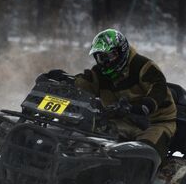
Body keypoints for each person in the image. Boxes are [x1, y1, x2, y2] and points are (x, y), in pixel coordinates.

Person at [49, 29, 176, 161]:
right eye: (101, 57)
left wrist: (144, 106)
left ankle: (134, 179)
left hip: (154, 122)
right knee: (90, 143)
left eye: (109, 56)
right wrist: (63, 80)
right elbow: (84, 83)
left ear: (122, 51)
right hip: (121, 120)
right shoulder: (100, 72)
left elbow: (158, 88)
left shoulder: (143, 66)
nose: (106, 62)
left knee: (143, 155)